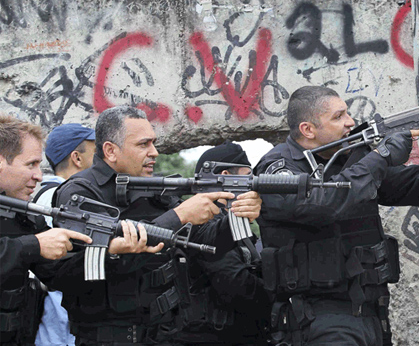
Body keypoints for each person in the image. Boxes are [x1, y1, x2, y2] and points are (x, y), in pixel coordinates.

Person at [255, 86, 419, 346]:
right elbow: (320, 205)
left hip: (371, 312)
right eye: (338, 117)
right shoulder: (278, 168)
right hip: (318, 317)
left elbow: (418, 187)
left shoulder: (350, 158)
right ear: (308, 129)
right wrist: (380, 157)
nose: (350, 122)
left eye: (347, 113)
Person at [53, 106, 262, 345]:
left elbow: (203, 245)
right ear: (110, 150)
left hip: (164, 334)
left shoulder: (150, 186)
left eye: (153, 143)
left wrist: (237, 217)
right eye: (143, 144)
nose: (154, 152)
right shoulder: (80, 193)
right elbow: (89, 268)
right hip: (109, 338)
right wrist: (179, 216)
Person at [0, 115, 93, 345]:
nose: (39, 175)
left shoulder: (21, 215)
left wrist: (107, 251)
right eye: (30, 164)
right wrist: (34, 245)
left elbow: (60, 275)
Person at [172, 142, 270, 345]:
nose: (253, 182)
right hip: (211, 335)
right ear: (226, 176)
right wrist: (277, 296)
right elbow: (235, 284)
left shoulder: (228, 220)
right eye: (248, 175)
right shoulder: (202, 223)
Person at [33, 123, 96, 346]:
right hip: (61, 321)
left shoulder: (42, 194)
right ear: (77, 158)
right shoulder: (64, 199)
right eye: (95, 152)